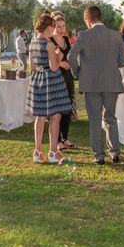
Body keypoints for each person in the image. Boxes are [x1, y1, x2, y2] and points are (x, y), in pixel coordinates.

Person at [68, 6, 124, 165]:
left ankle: (99, 156)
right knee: (110, 118)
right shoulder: (116, 36)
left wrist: (78, 72)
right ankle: (114, 153)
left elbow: (71, 56)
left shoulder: (84, 35)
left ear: (88, 19)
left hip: (91, 83)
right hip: (111, 82)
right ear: (100, 17)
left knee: (95, 120)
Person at [26, 14, 73, 164]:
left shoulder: (32, 43)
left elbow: (31, 67)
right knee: (56, 116)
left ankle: (37, 151)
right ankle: (53, 152)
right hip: (52, 81)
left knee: (40, 117)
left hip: (38, 80)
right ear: (48, 28)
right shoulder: (49, 44)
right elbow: (54, 67)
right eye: (53, 27)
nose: (54, 30)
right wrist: (59, 57)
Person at [50, 14, 78, 151]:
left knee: (67, 108)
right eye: (58, 26)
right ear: (53, 27)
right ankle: (57, 141)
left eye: (63, 26)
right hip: (56, 77)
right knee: (57, 110)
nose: (61, 29)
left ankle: (65, 138)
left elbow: (70, 55)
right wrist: (59, 63)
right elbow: (47, 61)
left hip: (67, 77)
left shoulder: (67, 39)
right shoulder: (49, 41)